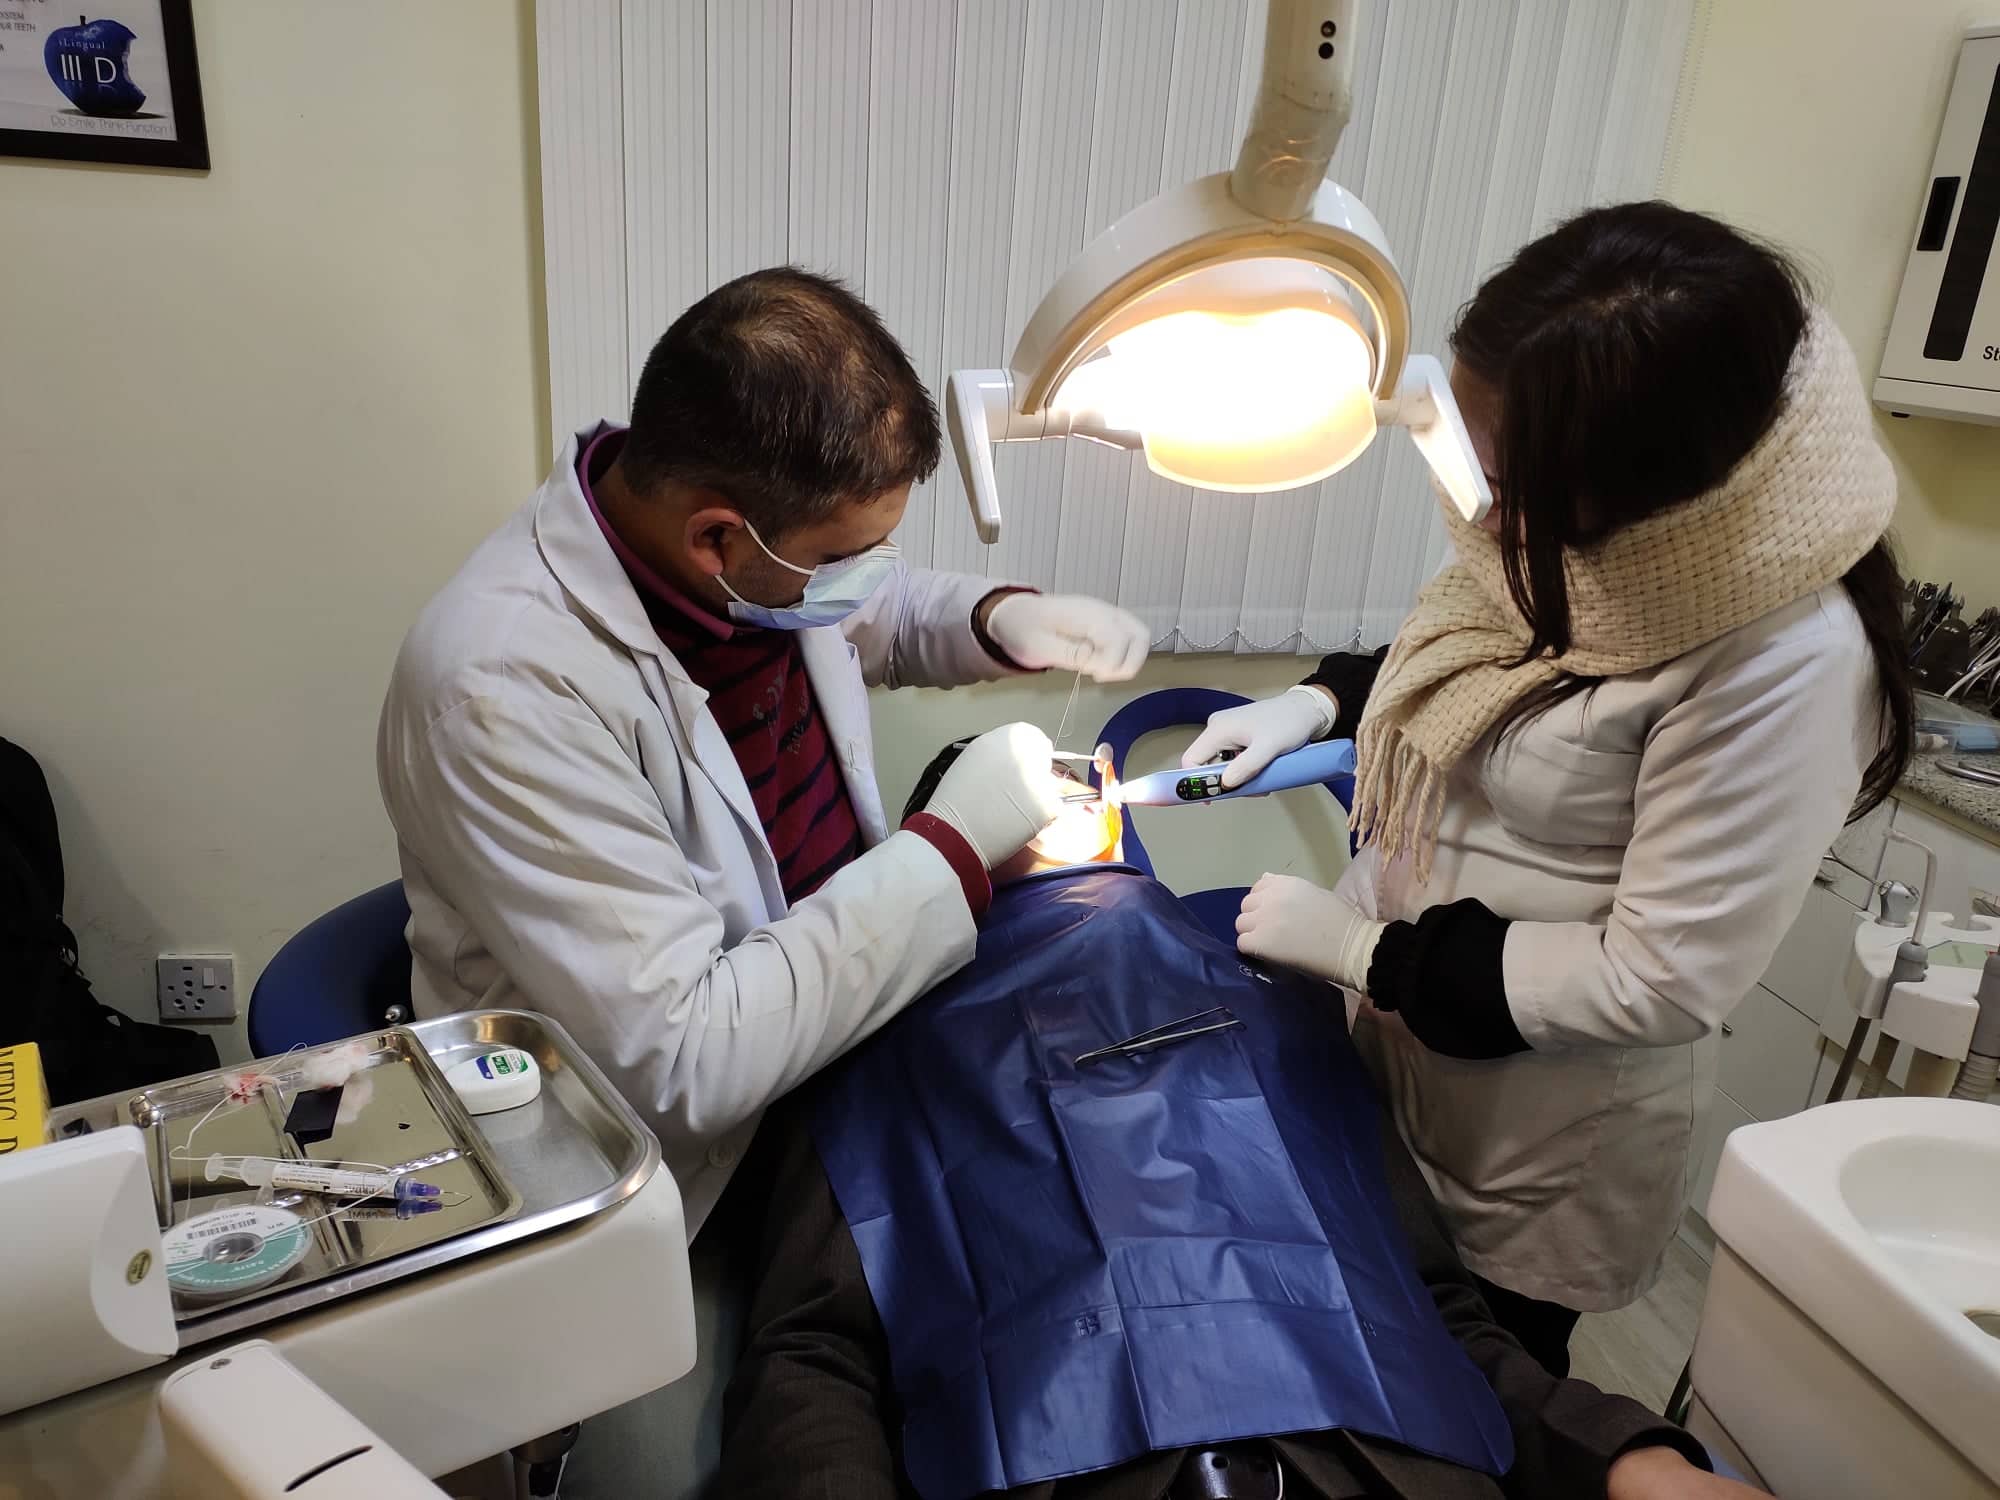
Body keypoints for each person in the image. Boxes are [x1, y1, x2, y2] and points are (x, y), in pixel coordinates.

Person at [1184, 202, 1912, 1373]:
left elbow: (1656, 977)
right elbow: (1470, 662)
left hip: (1531, 1140)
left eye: (1510, 480)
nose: (1480, 505)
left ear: (1644, 491)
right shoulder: (1570, 526)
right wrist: (1313, 704)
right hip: (1402, 1047)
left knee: (1479, 1397)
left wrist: (1368, 955)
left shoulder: (1784, 657)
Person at [715, 749, 1761, 1499]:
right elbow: (813, 1355)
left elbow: (1432, 1308)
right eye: (1016, 782)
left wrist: (1624, 1456)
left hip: (1380, 1460)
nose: (1072, 778)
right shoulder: (887, 1039)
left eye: (1079, 770)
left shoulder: (1278, 997)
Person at [377, 267, 1152, 1234]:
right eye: (839, 558)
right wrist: (952, 845)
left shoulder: (740, 559)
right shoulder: (501, 689)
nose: (859, 581)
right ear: (717, 537)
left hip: (830, 1028)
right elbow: (688, 1064)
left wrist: (1003, 619)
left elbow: (875, 613)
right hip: (699, 1154)